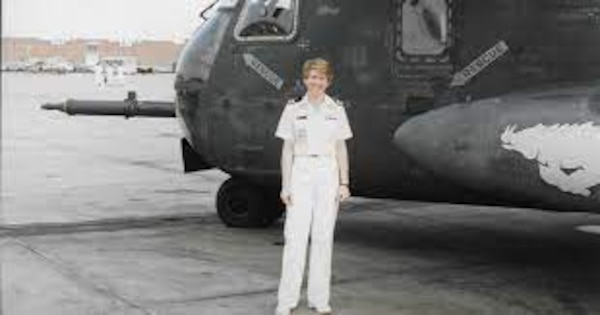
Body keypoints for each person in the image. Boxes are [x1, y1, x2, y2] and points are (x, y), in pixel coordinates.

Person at [273, 58, 353, 315]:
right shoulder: (293, 109)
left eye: (321, 77)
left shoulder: (337, 109)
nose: (316, 82)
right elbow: (287, 150)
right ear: (305, 79)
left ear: (328, 81)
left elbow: (341, 147)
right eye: (312, 77)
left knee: (322, 237)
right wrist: (285, 185)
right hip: (301, 171)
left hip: (328, 173)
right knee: (295, 237)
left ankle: (319, 300)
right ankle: (287, 301)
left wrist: (344, 182)